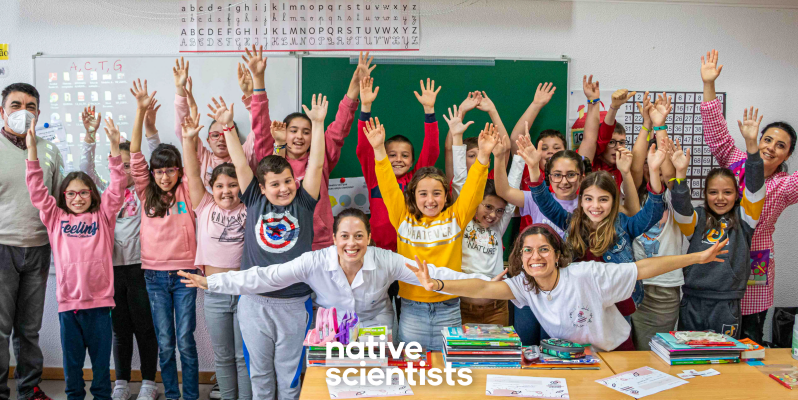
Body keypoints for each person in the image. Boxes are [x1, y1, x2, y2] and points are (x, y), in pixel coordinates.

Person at [406, 223, 730, 352]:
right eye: (528, 251)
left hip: (613, 353)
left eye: (544, 249)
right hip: (571, 358)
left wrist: (697, 257)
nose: (535, 257)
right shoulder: (524, 285)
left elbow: (642, 268)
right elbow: (481, 287)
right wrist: (438, 283)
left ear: (558, 254)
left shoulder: (586, 274)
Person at [176, 209, 494, 329]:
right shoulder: (315, 260)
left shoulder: (387, 259)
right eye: (345, 236)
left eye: (359, 236)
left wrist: (484, 280)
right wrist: (213, 282)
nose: (351, 244)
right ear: (334, 238)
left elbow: (442, 274)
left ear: (369, 238)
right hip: (332, 332)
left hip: (378, 327)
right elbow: (266, 276)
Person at [520, 132, 667, 349]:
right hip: (578, 307)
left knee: (617, 358)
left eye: (603, 199)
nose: (595, 206)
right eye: (589, 199)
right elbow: (543, 199)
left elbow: (654, 212)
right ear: (581, 200)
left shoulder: (625, 225)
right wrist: (534, 166)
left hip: (616, 308)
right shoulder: (571, 223)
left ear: (614, 201)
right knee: (577, 359)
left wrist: (653, 171)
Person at [228, 90, 327, 400]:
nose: (284, 188)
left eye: (287, 181)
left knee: (289, 379)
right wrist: (228, 127)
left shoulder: (304, 203)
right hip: (255, 302)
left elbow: (316, 164)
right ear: (261, 187)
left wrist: (318, 124)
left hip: (295, 303)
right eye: (275, 183)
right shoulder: (254, 199)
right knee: (260, 377)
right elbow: (239, 163)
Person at [365, 116, 495, 351]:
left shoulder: (456, 217)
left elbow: (474, 189)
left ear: (446, 196)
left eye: (437, 193)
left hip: (449, 308)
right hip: (412, 310)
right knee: (414, 375)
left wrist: (483, 157)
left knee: (451, 375)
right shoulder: (403, 218)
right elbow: (387, 185)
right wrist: (378, 151)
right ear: (412, 196)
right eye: (423, 193)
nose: (430, 199)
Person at [700, 49, 798, 343]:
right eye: (767, 139)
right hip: (718, 256)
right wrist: (708, 84)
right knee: (711, 336)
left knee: (750, 337)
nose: (771, 147)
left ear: (787, 155)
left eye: (780, 146)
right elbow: (716, 130)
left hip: (755, 266)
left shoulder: (785, 185)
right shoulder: (734, 159)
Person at [26, 117, 124, 400]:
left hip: (101, 304)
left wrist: (115, 149)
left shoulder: (103, 216)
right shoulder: (56, 218)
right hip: (69, 306)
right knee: (72, 368)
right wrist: (32, 152)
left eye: (84, 192)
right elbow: (37, 191)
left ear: (92, 194)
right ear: (63, 196)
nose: (78, 198)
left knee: (102, 368)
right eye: (71, 193)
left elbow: (116, 187)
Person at [79, 104, 161, 400]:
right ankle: (122, 382)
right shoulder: (103, 192)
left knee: (145, 327)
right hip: (111, 270)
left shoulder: (145, 190)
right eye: (120, 164)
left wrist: (150, 128)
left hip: (142, 268)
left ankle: (150, 382)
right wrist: (90, 137)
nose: (125, 170)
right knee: (119, 330)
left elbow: (154, 155)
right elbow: (84, 170)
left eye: (129, 165)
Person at [253, 46, 370, 251]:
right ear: (283, 132)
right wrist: (258, 81)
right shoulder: (271, 160)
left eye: (306, 132)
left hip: (319, 241)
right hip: (282, 241)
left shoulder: (321, 157)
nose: (299, 137)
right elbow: (261, 127)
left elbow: (339, 129)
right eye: (294, 131)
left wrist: (353, 88)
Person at [129, 79, 201, 400]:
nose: (165, 175)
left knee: (185, 339)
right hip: (155, 276)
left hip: (187, 274)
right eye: (159, 171)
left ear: (179, 171)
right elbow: (135, 155)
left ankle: (190, 396)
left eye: (171, 170)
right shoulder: (146, 192)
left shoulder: (187, 188)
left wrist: (184, 98)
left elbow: (188, 151)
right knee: (166, 341)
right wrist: (141, 113)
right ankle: (172, 394)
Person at [672, 107, 766, 338]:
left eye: (727, 192)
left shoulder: (745, 219)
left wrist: (752, 148)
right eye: (713, 192)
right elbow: (681, 210)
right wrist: (680, 174)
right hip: (693, 300)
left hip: (726, 303)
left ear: (737, 194)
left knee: (725, 356)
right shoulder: (698, 218)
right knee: (689, 354)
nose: (720, 198)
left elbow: (755, 189)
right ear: (705, 195)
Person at [182, 114, 252, 400]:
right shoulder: (205, 204)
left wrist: (228, 129)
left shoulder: (251, 204)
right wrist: (188, 141)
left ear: (242, 186)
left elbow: (245, 166)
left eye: (233, 185)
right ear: (212, 188)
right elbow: (193, 171)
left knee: (241, 356)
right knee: (223, 357)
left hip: (246, 289)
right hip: (213, 290)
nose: (227, 191)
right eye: (220, 186)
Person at [0, 82, 61, 400]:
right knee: (0, 328)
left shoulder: (50, 150)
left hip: (39, 247)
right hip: (2, 247)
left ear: (38, 113)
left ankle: (29, 388)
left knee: (29, 328)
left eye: (30, 107)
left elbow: (62, 197)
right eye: (16, 105)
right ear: (2, 111)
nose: (23, 112)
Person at [495, 146, 588, 346]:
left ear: (582, 176)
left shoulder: (588, 206)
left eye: (571, 175)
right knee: (526, 342)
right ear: (548, 177)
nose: (564, 181)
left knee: (554, 346)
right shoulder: (536, 198)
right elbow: (503, 191)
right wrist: (498, 157)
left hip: (565, 290)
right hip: (531, 285)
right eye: (557, 175)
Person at [626, 94, 684, 350]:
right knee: (630, 353)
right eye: (652, 165)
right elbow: (636, 167)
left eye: (661, 165)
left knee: (656, 353)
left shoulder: (674, 197)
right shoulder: (631, 196)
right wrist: (647, 125)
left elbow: (670, 173)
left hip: (664, 288)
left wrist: (660, 125)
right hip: (633, 284)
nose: (656, 169)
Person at [455, 133, 524, 326]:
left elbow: (512, 192)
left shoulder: (498, 227)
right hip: (462, 307)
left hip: (496, 308)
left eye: (499, 211)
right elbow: (461, 182)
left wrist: (519, 158)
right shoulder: (463, 220)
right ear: (476, 203)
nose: (493, 215)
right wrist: (456, 137)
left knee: (497, 354)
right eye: (488, 207)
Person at [172, 57, 260, 191]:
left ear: (235, 137)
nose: (221, 139)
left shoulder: (245, 154)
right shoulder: (203, 157)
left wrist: (249, 95)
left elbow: (259, 130)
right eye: (215, 135)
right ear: (208, 139)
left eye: (226, 134)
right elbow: (182, 132)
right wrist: (180, 91)